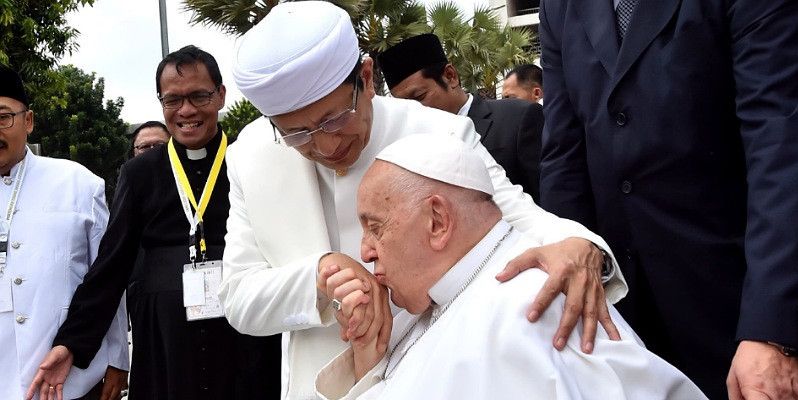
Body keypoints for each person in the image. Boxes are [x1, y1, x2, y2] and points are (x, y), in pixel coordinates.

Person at [224, 2, 627, 398]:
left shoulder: (439, 131)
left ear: (366, 77)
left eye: (334, 119)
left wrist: (582, 246)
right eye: (298, 134)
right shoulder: (251, 156)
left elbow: (520, 217)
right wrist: (320, 276)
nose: (326, 145)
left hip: (442, 374)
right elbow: (239, 298)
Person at [537, 0, 798, 398]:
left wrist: (773, 328)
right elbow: (562, 151)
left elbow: (780, 147)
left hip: (740, 303)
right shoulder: (558, 7)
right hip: (621, 320)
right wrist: (568, 251)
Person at [315, 133, 706, 400]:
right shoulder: (433, 302)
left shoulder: (530, 303)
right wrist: (369, 357)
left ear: (437, 221)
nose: (364, 253)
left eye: (375, 228)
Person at [26, 46, 281, 400]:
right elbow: (110, 266)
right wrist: (71, 343)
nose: (186, 111)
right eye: (173, 100)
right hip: (164, 343)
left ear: (220, 95)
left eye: (198, 96)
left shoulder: (247, 159)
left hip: (244, 336)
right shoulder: (140, 172)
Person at [0, 65, 129, 400]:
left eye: (3, 117)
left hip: (71, 378)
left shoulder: (78, 183)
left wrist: (118, 359)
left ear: (28, 120)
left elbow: (107, 277)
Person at [377, 34, 543, 200]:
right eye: (403, 104)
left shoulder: (519, 117)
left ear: (451, 76)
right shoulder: (410, 149)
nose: (413, 109)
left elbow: (550, 196)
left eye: (419, 96)